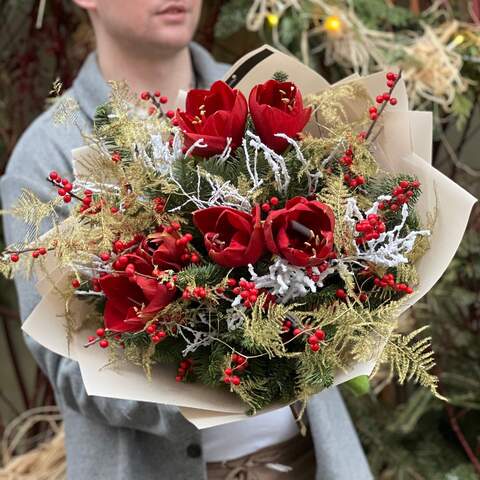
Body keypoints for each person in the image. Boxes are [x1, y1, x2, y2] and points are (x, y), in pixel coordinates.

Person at [0, 1, 373, 479]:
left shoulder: (268, 93)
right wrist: (212, 381)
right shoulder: (47, 157)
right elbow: (68, 366)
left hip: (313, 463)